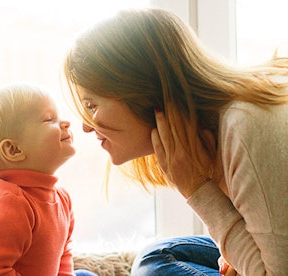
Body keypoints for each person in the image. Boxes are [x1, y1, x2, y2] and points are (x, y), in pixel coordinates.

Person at [62, 8, 288, 276]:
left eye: (91, 105)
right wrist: (233, 255)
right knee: (156, 257)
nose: (87, 126)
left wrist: (198, 190)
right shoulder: (221, 129)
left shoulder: (245, 127)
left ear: (142, 90)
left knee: (153, 269)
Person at [0, 83, 97, 276]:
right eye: (50, 119)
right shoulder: (11, 206)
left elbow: (63, 255)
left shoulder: (62, 198)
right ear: (14, 150)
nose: (65, 122)